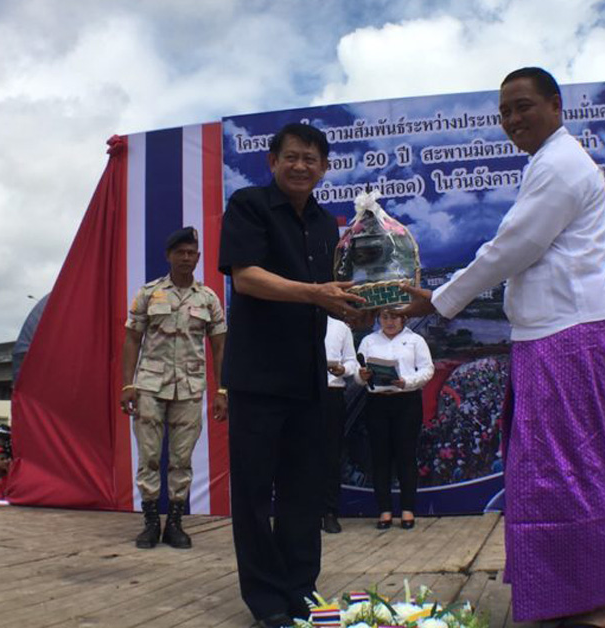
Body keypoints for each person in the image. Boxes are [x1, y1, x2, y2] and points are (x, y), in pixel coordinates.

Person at [398, 67, 605, 628]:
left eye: (522, 106)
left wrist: (439, 300)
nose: (512, 120)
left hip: (566, 336)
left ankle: (597, 602)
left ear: (555, 105)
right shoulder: (547, 164)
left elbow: (511, 248)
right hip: (551, 336)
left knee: (567, 468)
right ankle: (566, 592)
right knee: (547, 467)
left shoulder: (559, 165)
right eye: (504, 113)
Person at [219, 122, 365, 628]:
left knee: (304, 491)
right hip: (256, 376)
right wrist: (317, 293)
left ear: (324, 168)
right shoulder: (248, 206)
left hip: (308, 376)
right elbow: (246, 277)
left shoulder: (329, 225)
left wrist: (353, 309)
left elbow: (332, 293)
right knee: (256, 493)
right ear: (272, 161)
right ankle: (266, 601)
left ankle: (301, 589)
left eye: (311, 159)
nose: (301, 166)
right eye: (292, 157)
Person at [120, 226, 227, 550]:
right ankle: (151, 523)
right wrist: (128, 383)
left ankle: (176, 524)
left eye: (191, 253)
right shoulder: (149, 293)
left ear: (197, 257)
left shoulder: (208, 298)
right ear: (168, 255)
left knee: (181, 459)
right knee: (149, 457)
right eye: (179, 252)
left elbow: (220, 346)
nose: (185, 257)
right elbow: (132, 339)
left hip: (190, 389)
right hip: (150, 386)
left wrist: (222, 391)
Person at [354, 309, 434, 530]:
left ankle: (407, 510)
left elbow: (428, 369)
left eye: (394, 317)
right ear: (379, 319)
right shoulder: (369, 341)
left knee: (406, 456)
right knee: (380, 457)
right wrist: (362, 376)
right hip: (377, 402)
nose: (389, 322)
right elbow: (357, 373)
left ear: (403, 318)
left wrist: (406, 381)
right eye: (385, 318)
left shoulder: (415, 340)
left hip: (406, 402)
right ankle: (385, 510)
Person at [321, 316, 359, 534]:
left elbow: (352, 362)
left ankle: (329, 511)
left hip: (331, 392)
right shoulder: (296, 319)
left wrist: (342, 370)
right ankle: (305, 511)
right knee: (300, 454)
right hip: (301, 393)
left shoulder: (340, 327)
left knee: (331, 454)